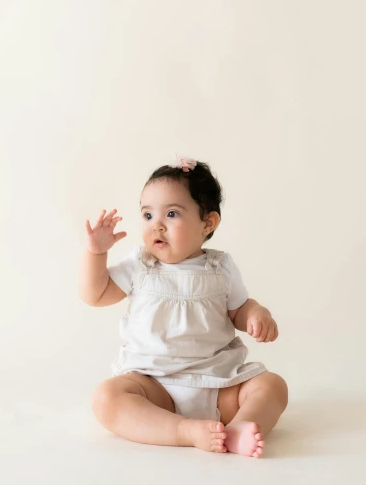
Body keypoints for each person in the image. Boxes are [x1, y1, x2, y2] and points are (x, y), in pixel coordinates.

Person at [79, 155, 288, 457]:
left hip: (219, 384)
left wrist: (256, 314)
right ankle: (184, 431)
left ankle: (239, 428)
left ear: (208, 222)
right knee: (106, 397)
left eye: (172, 214)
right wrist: (95, 254)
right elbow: (95, 294)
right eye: (148, 216)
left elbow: (238, 309)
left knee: (272, 386)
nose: (157, 226)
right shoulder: (141, 264)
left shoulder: (221, 266)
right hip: (154, 387)